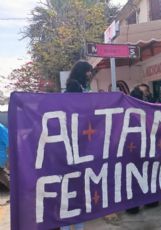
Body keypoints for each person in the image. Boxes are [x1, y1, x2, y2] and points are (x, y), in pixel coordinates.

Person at [61, 60, 93, 230]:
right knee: (74, 184)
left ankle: (76, 223)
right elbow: (76, 107)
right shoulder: (74, 85)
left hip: (79, 136)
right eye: (88, 71)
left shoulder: (77, 84)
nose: (90, 74)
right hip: (76, 136)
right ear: (83, 71)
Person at [126, 84, 159, 214]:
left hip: (138, 146)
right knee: (142, 174)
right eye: (144, 93)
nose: (147, 94)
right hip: (137, 146)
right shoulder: (140, 109)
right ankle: (142, 202)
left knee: (142, 174)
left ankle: (140, 203)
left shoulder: (141, 107)